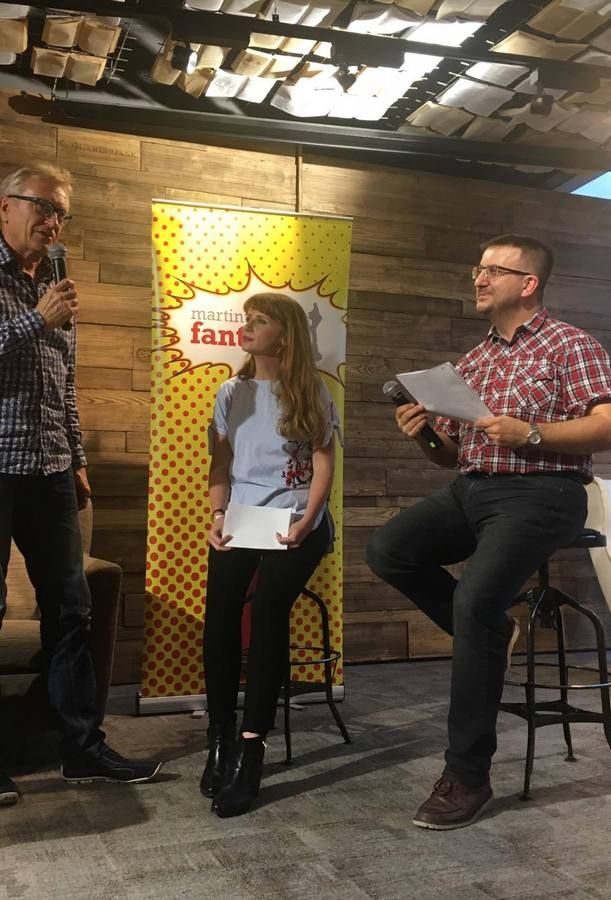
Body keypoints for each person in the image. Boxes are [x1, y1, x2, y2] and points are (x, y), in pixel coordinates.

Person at [366, 234, 611, 830]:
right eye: (477, 269)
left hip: (546, 490)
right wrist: (424, 434)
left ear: (528, 284)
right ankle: (494, 632)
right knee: (389, 550)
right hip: (472, 488)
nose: (479, 278)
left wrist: (532, 433)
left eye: (494, 270)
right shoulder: (474, 361)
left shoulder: (569, 344)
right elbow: (450, 457)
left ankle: (467, 776)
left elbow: (607, 424)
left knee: (474, 600)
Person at [0, 163, 161, 806]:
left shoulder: (56, 285)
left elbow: (62, 384)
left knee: (71, 608)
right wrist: (35, 321)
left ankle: (82, 748)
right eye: (42, 206)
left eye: (61, 212)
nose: (53, 221)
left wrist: (77, 457)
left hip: (50, 466)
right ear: (5, 206)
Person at [201, 292, 339, 818]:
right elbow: (220, 466)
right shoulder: (230, 392)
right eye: (247, 319)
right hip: (242, 519)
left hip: (296, 521)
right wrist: (217, 516)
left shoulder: (310, 390)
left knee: (267, 612)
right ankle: (220, 736)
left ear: (285, 335)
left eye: (260, 321)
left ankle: (252, 744)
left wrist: (307, 519)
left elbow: (324, 462)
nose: (247, 327)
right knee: (220, 615)